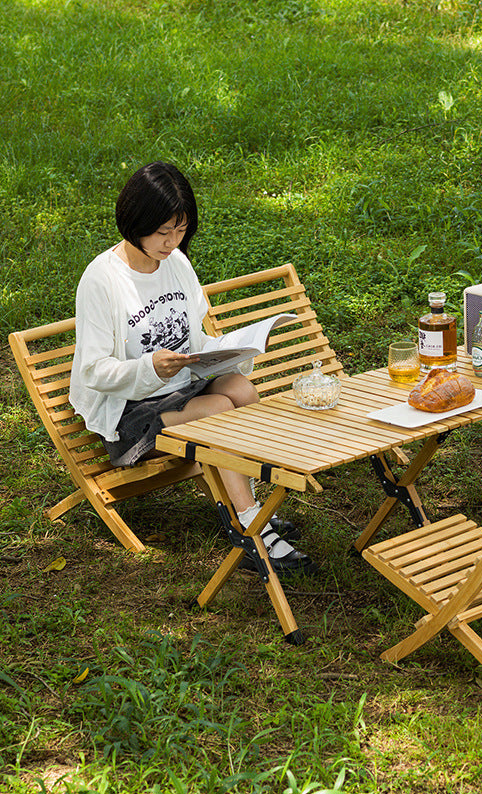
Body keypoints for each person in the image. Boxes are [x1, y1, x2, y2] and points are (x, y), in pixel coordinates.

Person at [69, 161, 316, 576]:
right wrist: (150, 367)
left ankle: (248, 503)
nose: (171, 242)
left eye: (180, 230)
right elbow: (94, 371)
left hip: (179, 385)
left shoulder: (176, 263)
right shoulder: (103, 280)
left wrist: (232, 349)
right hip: (131, 411)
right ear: (135, 221)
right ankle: (249, 525)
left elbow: (194, 339)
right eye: (162, 231)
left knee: (241, 390)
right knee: (219, 410)